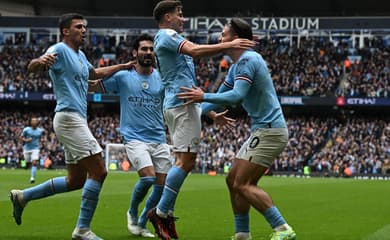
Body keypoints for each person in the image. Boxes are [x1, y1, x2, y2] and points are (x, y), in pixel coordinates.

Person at [10, 13, 134, 240]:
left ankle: (23, 196)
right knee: (99, 171)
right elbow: (32, 66)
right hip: (69, 118)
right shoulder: (59, 49)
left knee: (75, 181)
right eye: (79, 27)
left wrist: (123, 66)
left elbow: (94, 74)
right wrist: (40, 62)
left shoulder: (80, 55)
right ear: (66, 31)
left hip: (74, 119)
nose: (84, 30)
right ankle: (82, 229)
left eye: (84, 27)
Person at [177, 18, 297, 240]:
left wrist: (202, 95)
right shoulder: (236, 67)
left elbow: (236, 97)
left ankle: (283, 229)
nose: (219, 39)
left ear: (237, 39)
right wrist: (192, 111)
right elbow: (219, 101)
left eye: (223, 34)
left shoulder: (248, 60)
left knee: (242, 183)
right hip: (264, 130)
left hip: (269, 131)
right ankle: (242, 234)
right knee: (232, 180)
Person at [147, 1, 255, 240]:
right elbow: (195, 51)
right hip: (182, 105)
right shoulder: (166, 36)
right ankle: (161, 213)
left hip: (184, 105)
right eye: (179, 14)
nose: (183, 19)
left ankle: (166, 212)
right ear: (167, 17)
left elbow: (182, 77)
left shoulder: (167, 38)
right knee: (185, 162)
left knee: (182, 160)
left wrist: (210, 113)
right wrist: (230, 44)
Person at [89, 34, 172, 238]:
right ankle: (132, 212)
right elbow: (91, 83)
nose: (148, 53)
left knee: (161, 188)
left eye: (151, 49)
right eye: (144, 49)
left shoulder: (161, 78)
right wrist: (118, 67)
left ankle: (142, 222)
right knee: (148, 178)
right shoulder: (123, 76)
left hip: (159, 138)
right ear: (135, 52)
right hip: (134, 138)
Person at [20, 117, 44, 183]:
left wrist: (42, 140)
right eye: (33, 121)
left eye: (35, 121)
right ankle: (27, 166)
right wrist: (26, 140)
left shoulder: (40, 131)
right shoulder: (26, 130)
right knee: (28, 162)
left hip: (35, 148)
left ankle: (32, 178)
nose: (34, 122)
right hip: (27, 148)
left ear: (37, 122)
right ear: (30, 122)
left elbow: (41, 138)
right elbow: (21, 137)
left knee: (34, 163)